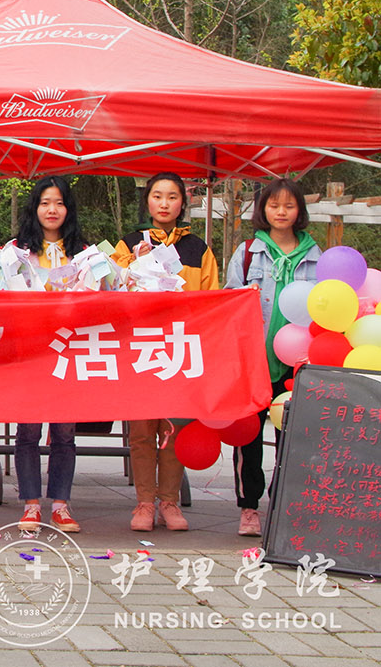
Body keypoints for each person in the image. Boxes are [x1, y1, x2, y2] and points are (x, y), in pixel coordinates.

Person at [112, 172, 219, 533]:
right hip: (139, 347)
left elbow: (211, 300)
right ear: (147, 201)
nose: (164, 203)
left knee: (175, 428)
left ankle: (169, 501)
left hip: (180, 348)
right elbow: (111, 289)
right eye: (157, 196)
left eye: (172, 197)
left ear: (182, 203)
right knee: (142, 430)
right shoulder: (128, 244)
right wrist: (132, 264)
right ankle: (144, 502)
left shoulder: (198, 249)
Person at [0, 177, 88, 533]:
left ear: (68, 209)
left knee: (64, 433)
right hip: (28, 352)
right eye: (45, 202)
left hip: (68, 352)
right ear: (35, 208)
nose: (52, 210)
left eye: (59, 203)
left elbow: (102, 294)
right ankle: (31, 504)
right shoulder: (16, 251)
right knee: (28, 431)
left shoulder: (84, 252)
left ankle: (61, 505)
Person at [223, 177, 318, 537]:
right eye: (274, 205)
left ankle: (280, 507)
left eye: (289, 206)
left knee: (291, 441)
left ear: (299, 211)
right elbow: (229, 300)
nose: (281, 212)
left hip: (297, 365)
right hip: (253, 362)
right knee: (247, 438)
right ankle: (249, 508)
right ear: (263, 209)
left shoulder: (316, 255)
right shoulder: (248, 252)